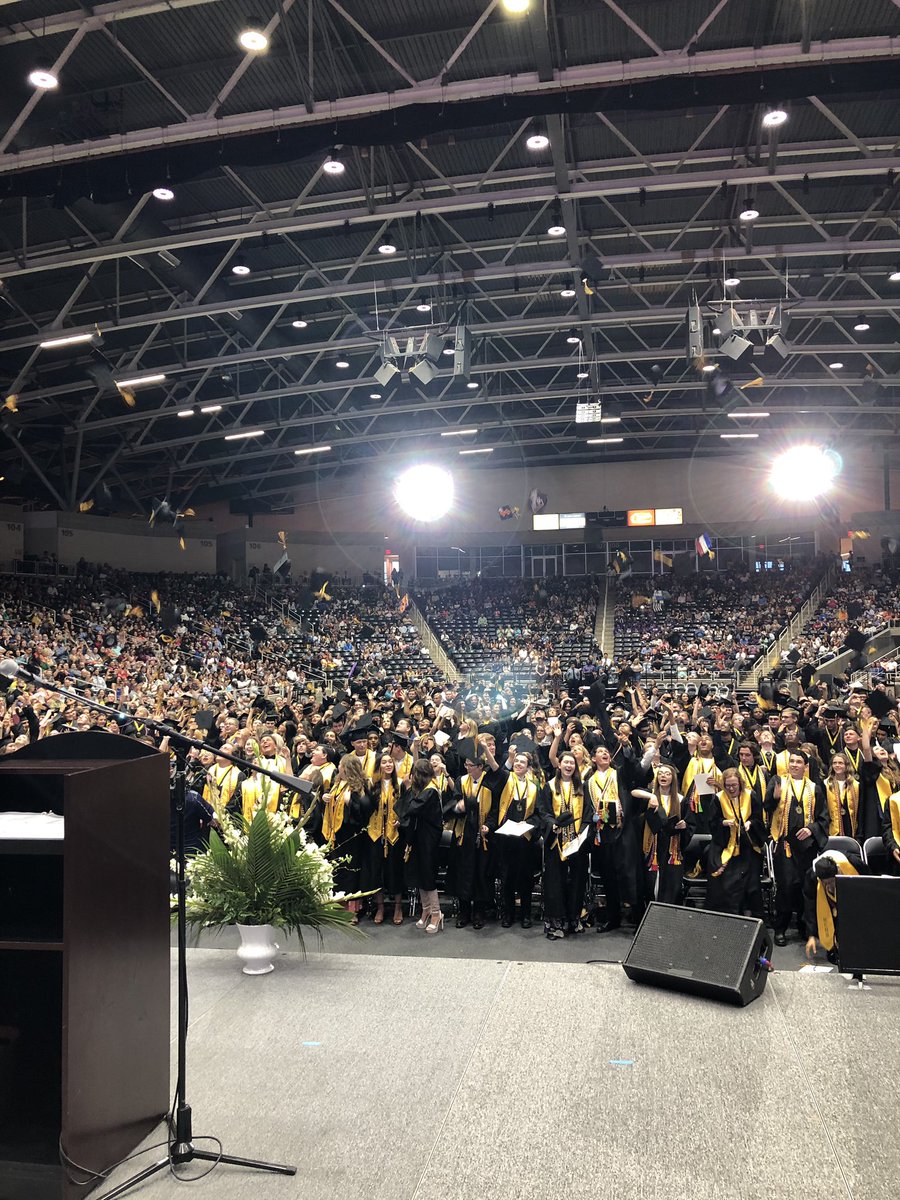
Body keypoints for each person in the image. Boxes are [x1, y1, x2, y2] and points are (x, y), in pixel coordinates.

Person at [765, 749, 829, 946]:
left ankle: (805, 927)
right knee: (785, 886)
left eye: (798, 762)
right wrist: (774, 798)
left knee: (806, 886)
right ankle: (781, 928)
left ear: (806, 766)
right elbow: (766, 808)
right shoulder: (778, 781)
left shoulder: (815, 787)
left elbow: (823, 817)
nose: (794, 765)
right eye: (791, 761)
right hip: (785, 844)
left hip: (807, 846)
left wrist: (811, 829)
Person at [447, 739, 499, 930]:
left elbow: (495, 809)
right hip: (464, 835)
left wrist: (489, 825)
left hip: (483, 835)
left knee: (481, 875)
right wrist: (458, 807)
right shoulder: (461, 781)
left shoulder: (490, 781)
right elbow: (452, 804)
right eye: (466, 765)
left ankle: (479, 912)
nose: (466, 768)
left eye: (470, 765)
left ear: (479, 766)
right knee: (464, 873)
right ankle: (463, 911)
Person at [539, 750, 590, 938]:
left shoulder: (582, 787)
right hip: (556, 842)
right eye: (565, 762)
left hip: (577, 842)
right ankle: (556, 923)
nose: (569, 766)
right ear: (559, 765)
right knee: (555, 882)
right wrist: (553, 825)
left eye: (572, 763)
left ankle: (573, 919)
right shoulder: (550, 786)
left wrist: (581, 833)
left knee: (577, 882)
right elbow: (543, 811)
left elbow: (587, 813)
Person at [706, 767, 765, 918]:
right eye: (728, 786)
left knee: (751, 882)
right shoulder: (718, 798)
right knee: (723, 879)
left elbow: (759, 819)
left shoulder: (751, 796)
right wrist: (723, 823)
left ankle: (751, 914)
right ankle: (728, 915)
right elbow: (712, 823)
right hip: (725, 844)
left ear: (740, 784)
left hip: (748, 845)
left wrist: (751, 823)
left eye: (734, 785)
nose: (731, 789)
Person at [632, 761, 692, 906]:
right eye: (660, 773)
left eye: (667, 773)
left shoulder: (680, 799)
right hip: (652, 846)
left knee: (670, 886)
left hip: (672, 848)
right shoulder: (650, 795)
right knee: (650, 883)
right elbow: (633, 792)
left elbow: (690, 823)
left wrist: (685, 825)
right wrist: (650, 796)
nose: (663, 776)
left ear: (673, 778)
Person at [495, 750, 541, 928]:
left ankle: (526, 915)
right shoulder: (506, 781)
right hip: (507, 837)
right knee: (507, 879)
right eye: (517, 761)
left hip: (525, 839)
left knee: (526, 879)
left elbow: (538, 814)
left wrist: (528, 824)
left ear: (528, 767)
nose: (518, 764)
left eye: (522, 762)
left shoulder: (534, 787)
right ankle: (508, 915)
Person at [399, 758, 446, 933]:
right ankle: (426, 909)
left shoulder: (430, 791)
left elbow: (411, 808)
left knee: (427, 874)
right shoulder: (422, 790)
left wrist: (407, 787)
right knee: (419, 873)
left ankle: (436, 912)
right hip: (419, 837)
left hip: (429, 839)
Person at [359, 752, 406, 925]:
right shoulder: (371, 785)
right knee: (376, 871)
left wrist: (400, 820)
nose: (388, 765)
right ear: (379, 765)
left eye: (390, 762)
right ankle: (380, 907)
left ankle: (398, 906)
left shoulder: (400, 784)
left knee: (395, 871)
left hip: (394, 835)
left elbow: (406, 807)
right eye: (384, 762)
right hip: (375, 833)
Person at [322, 753, 367, 923]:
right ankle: (339, 907)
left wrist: (351, 803)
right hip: (336, 835)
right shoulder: (337, 784)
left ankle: (353, 910)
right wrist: (325, 799)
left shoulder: (359, 787)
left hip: (351, 835)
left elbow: (364, 812)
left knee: (350, 872)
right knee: (338, 871)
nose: (338, 768)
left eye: (340, 765)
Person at [803, 848, 864, 963]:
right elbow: (810, 905)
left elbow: (868, 883)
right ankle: (835, 948)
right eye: (827, 883)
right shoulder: (812, 876)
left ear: (838, 870)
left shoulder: (854, 863)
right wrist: (812, 934)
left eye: (832, 881)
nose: (831, 885)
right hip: (829, 904)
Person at [823, 752, 860, 839]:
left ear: (846, 765)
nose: (837, 765)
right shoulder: (825, 784)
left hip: (851, 828)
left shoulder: (856, 785)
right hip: (832, 829)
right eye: (834, 763)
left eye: (840, 763)